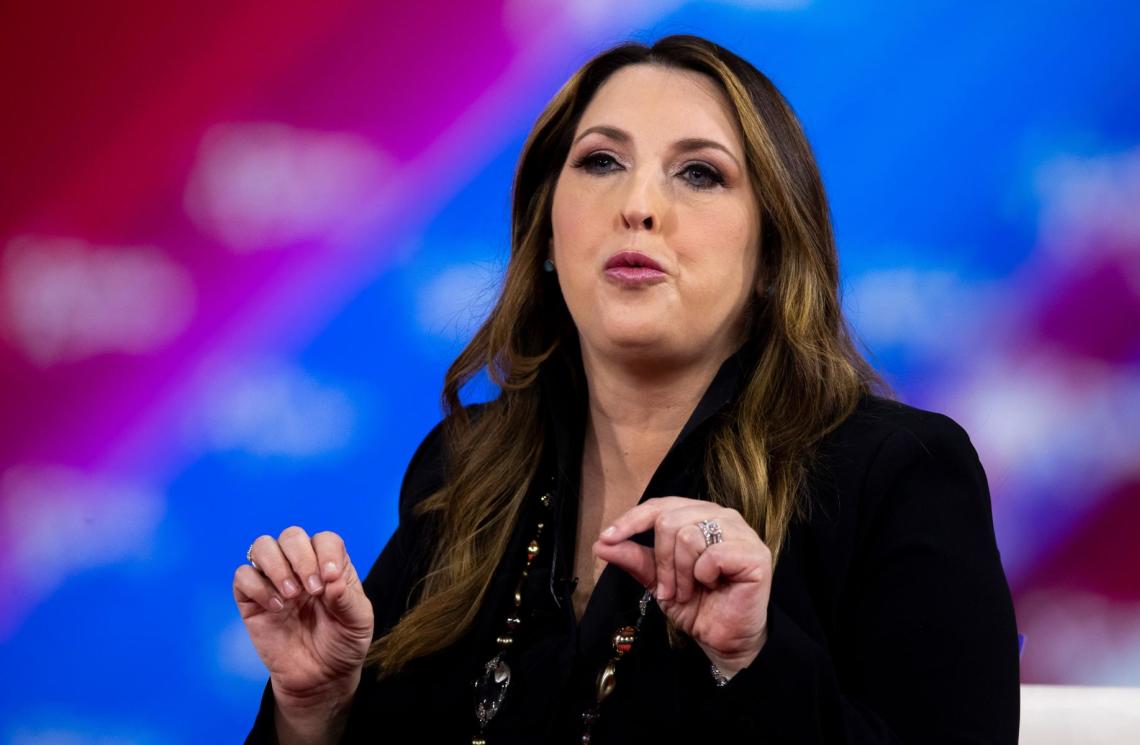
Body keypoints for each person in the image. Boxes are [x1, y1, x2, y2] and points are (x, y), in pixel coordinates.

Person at [234, 34, 1020, 744]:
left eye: (700, 174)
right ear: (547, 230)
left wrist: (754, 661)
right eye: (602, 162)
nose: (637, 206)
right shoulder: (463, 470)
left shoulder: (901, 474)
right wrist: (317, 709)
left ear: (774, 252)